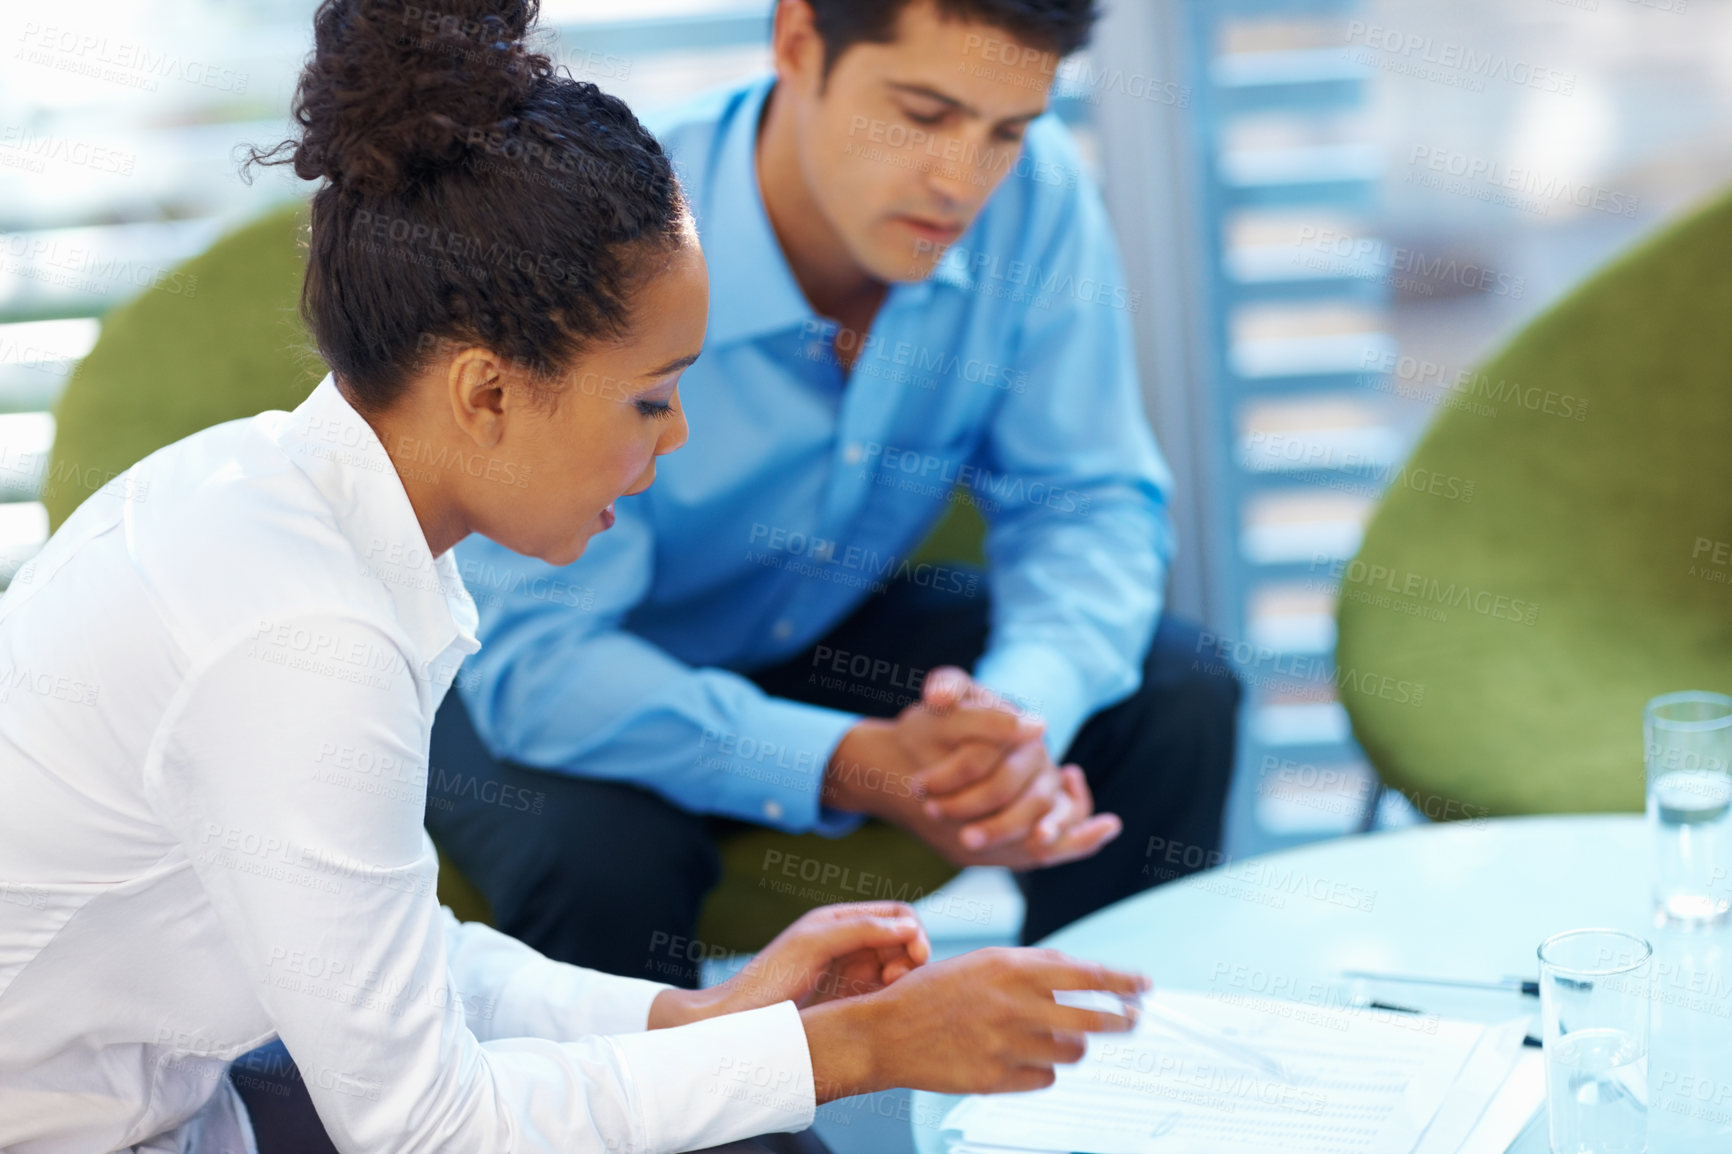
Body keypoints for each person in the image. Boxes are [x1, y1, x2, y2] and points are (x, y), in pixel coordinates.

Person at [0, 2, 1147, 1150]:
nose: (680, 437)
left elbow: (397, 953)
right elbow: (428, 1125)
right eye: (650, 398)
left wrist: (696, 1014)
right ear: (487, 393)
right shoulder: (304, 639)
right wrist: (855, 1049)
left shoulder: (286, 497)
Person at [429, 0, 1240, 986]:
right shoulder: (599, 229)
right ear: (798, 43)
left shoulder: (1037, 200)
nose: (962, 181)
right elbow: (542, 662)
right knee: (596, 851)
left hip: (811, 618)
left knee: (1175, 687)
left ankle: (1093, 1079)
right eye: (922, 113)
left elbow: (1085, 501)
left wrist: (1013, 723)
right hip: (534, 659)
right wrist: (859, 761)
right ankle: (685, 1128)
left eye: (1005, 132)